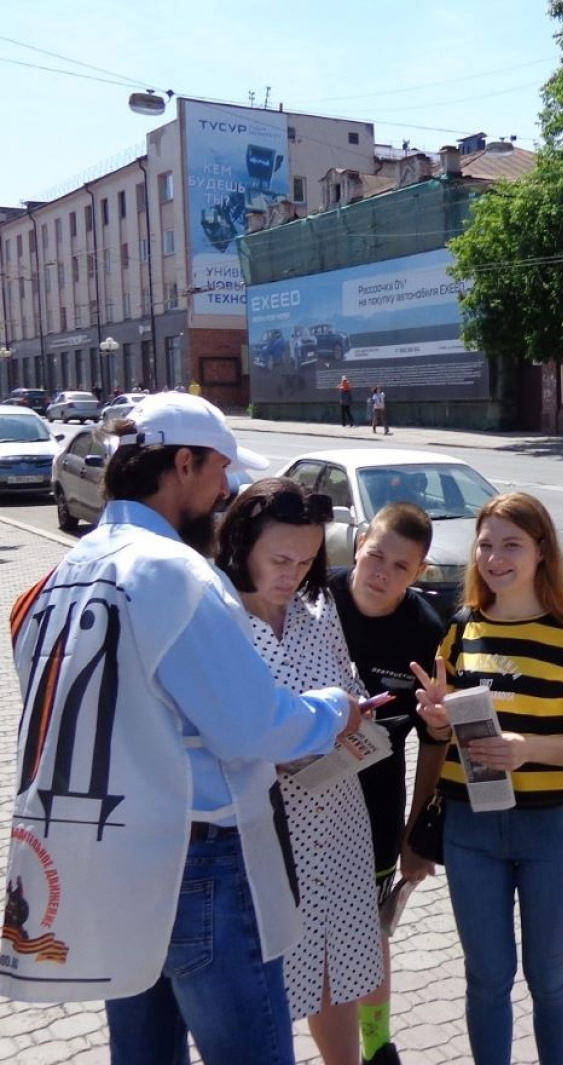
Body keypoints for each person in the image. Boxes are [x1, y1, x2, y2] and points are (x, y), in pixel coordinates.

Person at [1, 391, 362, 1065]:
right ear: (185, 463)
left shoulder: (52, 580)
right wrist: (333, 709)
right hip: (198, 861)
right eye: (220, 471)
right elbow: (250, 726)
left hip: (112, 859)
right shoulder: (175, 572)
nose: (225, 491)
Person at [412, 492, 563, 1065]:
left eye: (511, 544)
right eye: (486, 544)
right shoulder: (460, 631)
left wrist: (527, 748)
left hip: (549, 832)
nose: (495, 557)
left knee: (549, 977)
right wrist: (434, 718)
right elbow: (443, 730)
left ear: (540, 551)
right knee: (486, 978)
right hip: (469, 829)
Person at [216, 478, 383, 1065]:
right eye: (279, 558)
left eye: (307, 560)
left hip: (336, 817)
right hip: (264, 832)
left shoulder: (318, 608)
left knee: (338, 967)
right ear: (243, 543)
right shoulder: (217, 618)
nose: (292, 573)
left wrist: (359, 716)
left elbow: (349, 685)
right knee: (267, 982)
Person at [328, 503, 447, 1065]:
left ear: (419, 573)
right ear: (357, 545)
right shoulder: (314, 603)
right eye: (376, 555)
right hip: (298, 804)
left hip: (376, 810)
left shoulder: (426, 631)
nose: (382, 572)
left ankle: (378, 1046)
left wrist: (414, 832)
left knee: (370, 934)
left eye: (401, 566)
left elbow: (436, 740)